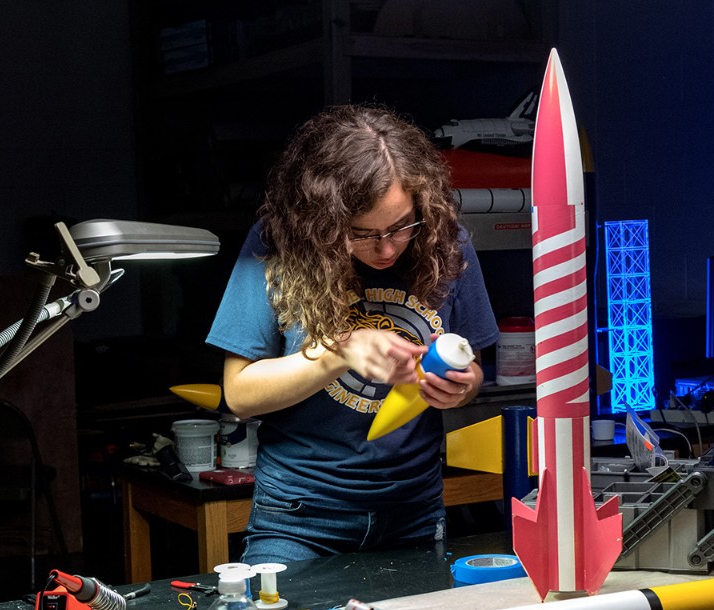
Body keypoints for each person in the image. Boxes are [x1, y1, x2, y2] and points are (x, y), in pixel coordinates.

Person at [206, 104, 500, 565]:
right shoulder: (277, 243)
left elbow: (474, 369)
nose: (385, 248)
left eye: (401, 226)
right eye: (361, 233)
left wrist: (461, 388)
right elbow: (240, 394)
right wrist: (339, 351)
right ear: (321, 220)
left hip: (414, 509)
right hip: (301, 515)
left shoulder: (446, 242)